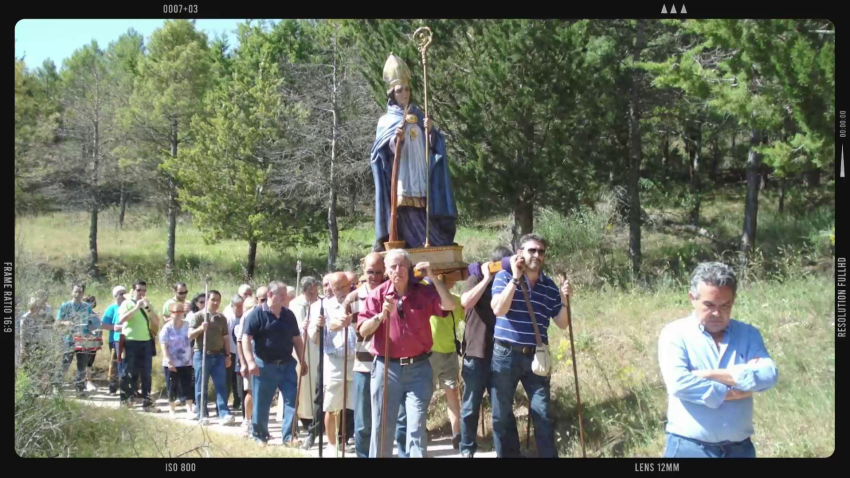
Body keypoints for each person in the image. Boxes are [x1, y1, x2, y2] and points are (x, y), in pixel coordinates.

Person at [658, 262, 779, 458]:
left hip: (740, 450)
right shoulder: (675, 334)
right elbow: (679, 383)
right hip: (689, 448)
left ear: (733, 301)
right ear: (692, 298)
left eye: (725, 305)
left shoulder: (748, 334)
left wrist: (708, 375)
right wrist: (738, 388)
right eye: (709, 305)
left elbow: (769, 375)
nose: (717, 313)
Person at [358, 249, 457, 458]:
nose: (398, 270)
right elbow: (363, 330)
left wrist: (433, 277)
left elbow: (449, 305)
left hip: (419, 369)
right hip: (386, 368)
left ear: (410, 268)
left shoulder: (423, 292)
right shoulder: (377, 295)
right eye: (393, 266)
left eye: (402, 265)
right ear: (386, 270)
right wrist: (381, 316)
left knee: (417, 426)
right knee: (382, 427)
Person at [489, 234, 572, 458]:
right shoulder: (504, 276)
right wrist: (515, 280)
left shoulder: (549, 286)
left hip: (536, 358)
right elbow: (498, 309)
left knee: (542, 414)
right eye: (531, 250)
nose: (537, 255)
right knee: (501, 414)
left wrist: (565, 300)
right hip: (505, 354)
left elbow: (562, 323)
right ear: (520, 253)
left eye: (541, 251)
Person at [370, 53, 457, 251]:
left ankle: (431, 239)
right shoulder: (386, 121)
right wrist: (396, 140)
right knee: (406, 207)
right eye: (400, 90)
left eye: (407, 89)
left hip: (420, 170)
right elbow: (379, 153)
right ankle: (411, 242)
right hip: (402, 173)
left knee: (424, 204)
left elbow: (434, 146)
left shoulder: (418, 114)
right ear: (392, 94)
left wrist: (430, 131)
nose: (405, 93)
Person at [457, 246, 513, 457]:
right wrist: (487, 278)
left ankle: (507, 451)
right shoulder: (477, 277)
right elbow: (466, 302)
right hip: (476, 352)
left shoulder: (509, 283)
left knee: (502, 407)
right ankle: (467, 449)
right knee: (471, 406)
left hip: (501, 353)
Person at [242, 282, 308, 446]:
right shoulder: (256, 314)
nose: (286, 298)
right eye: (282, 295)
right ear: (271, 295)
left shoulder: (289, 315)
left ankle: (289, 437)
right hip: (264, 365)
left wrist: (302, 360)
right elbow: (246, 338)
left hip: (287, 365)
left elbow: (297, 339)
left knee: (292, 401)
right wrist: (250, 362)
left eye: (286, 295)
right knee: (262, 402)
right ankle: (260, 436)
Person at [344, 253, 387, 457]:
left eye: (379, 272)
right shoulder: (353, 299)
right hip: (363, 364)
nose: (375, 276)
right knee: (363, 421)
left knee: (385, 418)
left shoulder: (392, 293)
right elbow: (358, 331)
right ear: (363, 270)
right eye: (370, 272)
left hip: (389, 363)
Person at [310, 272, 357, 455]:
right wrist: (318, 327)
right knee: (331, 404)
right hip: (335, 360)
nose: (341, 291)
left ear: (350, 284)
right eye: (336, 288)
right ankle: (331, 445)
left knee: (355, 404)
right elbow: (315, 339)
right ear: (331, 288)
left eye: (344, 287)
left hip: (357, 359)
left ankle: (351, 439)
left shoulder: (357, 301)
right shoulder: (324, 307)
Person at [188, 290, 235, 426]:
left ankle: (223, 413)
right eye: (213, 299)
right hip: (202, 354)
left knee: (221, 385)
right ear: (207, 300)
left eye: (218, 300)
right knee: (201, 385)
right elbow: (190, 335)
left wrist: (227, 355)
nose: (215, 302)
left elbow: (225, 338)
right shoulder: (198, 316)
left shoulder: (222, 318)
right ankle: (202, 414)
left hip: (218, 355)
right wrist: (201, 329)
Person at [426, 286, 464, 450]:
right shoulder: (427, 294)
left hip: (445, 353)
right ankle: (422, 431)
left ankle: (456, 434)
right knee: (426, 395)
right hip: (433, 352)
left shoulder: (456, 299)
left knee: (451, 393)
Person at [289, 276, 322, 449]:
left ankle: (313, 419)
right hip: (299, 350)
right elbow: (293, 330)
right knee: (298, 387)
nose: (314, 296)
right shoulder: (295, 305)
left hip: (315, 349)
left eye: (316, 292)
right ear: (303, 291)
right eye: (311, 293)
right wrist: (302, 327)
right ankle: (295, 421)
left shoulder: (319, 303)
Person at [117, 280, 160, 411]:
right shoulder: (126, 303)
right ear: (133, 290)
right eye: (139, 290)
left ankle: (147, 403)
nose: (142, 292)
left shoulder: (148, 304)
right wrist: (136, 307)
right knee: (128, 372)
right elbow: (122, 319)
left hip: (146, 342)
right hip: (130, 341)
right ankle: (126, 401)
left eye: (144, 290)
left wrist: (148, 308)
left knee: (146, 373)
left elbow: (156, 321)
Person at [56, 284, 96, 398]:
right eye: (76, 291)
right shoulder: (65, 306)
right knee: (65, 364)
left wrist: (92, 330)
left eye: (80, 292)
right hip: (68, 339)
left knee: (82, 365)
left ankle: (80, 390)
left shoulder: (87, 307)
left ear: (83, 293)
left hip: (83, 339)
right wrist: (65, 323)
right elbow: (57, 322)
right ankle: (57, 387)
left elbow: (91, 322)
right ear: (72, 292)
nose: (78, 294)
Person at [160, 302, 195, 419]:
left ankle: (189, 410)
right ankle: (172, 410)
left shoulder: (188, 325)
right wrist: (169, 361)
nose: (178, 314)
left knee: (187, 385)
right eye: (175, 312)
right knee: (172, 386)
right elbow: (164, 346)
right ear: (171, 313)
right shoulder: (167, 328)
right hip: (171, 362)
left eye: (180, 311)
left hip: (186, 362)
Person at [235, 296, 258, 437]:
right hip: (251, 360)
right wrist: (243, 363)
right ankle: (247, 422)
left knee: (263, 394)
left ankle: (259, 425)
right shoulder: (247, 316)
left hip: (266, 360)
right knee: (250, 392)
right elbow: (239, 341)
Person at [101, 286, 127, 395]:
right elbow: (103, 324)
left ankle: (126, 387)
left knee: (126, 363)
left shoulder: (130, 306)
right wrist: (114, 327)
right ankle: (113, 387)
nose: (124, 296)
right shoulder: (111, 308)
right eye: (121, 294)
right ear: (115, 296)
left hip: (129, 338)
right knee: (115, 363)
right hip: (115, 339)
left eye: (125, 293)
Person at [224, 294, 245, 412]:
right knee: (227, 379)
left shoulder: (245, 317)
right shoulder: (228, 319)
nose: (240, 308)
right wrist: (226, 354)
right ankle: (224, 404)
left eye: (242, 306)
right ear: (232, 306)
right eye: (238, 306)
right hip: (231, 352)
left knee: (240, 378)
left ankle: (239, 401)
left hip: (242, 353)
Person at [81, 295, 102, 392]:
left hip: (94, 341)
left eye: (92, 302)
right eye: (89, 301)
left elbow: (99, 328)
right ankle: (84, 382)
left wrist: (100, 338)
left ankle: (88, 381)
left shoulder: (95, 315)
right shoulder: (81, 315)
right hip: (83, 341)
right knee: (84, 362)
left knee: (90, 362)